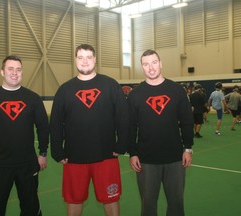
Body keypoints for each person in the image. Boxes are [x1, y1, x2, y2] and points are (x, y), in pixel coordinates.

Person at [50, 44, 129, 216]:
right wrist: (57, 150)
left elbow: (123, 117)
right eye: (80, 57)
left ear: (95, 59)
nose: (84, 61)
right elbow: (56, 123)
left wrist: (121, 144)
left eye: (88, 57)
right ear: (75, 60)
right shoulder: (65, 89)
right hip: (74, 157)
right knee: (73, 200)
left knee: (111, 199)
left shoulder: (110, 85)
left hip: (106, 155)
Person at [0, 55, 49, 216]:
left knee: (31, 209)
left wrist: (43, 153)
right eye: (10, 69)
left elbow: (43, 128)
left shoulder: (33, 99)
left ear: (22, 72)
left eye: (18, 69)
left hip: (27, 165)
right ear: (2, 72)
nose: (14, 73)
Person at [127, 49, 194, 216]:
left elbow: (187, 121)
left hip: (175, 159)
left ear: (161, 63)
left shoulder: (176, 90)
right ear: (142, 67)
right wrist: (132, 153)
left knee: (176, 204)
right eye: (146, 64)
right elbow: (130, 126)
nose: (151, 68)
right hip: (146, 160)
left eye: (154, 62)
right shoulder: (135, 95)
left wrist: (188, 148)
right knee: (148, 206)